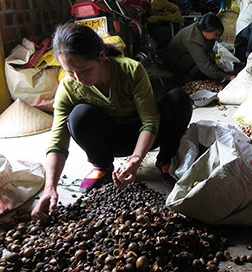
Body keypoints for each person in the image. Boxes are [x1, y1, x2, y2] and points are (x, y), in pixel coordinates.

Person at [31, 23, 193, 219]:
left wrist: (135, 160)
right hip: (109, 140)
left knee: (179, 100)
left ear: (101, 56)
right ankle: (102, 166)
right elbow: (58, 140)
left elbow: (150, 121)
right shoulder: (68, 88)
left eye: (84, 70)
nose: (78, 78)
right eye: (70, 72)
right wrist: (50, 187)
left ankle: (165, 161)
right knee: (78, 116)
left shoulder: (130, 71)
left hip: (143, 136)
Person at [165, 13, 234, 83]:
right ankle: (184, 77)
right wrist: (227, 77)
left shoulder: (201, 28)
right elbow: (205, 64)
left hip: (186, 57)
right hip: (175, 63)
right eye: (216, 34)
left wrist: (215, 67)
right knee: (205, 63)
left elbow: (210, 51)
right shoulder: (193, 40)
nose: (217, 37)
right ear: (204, 31)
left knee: (210, 56)